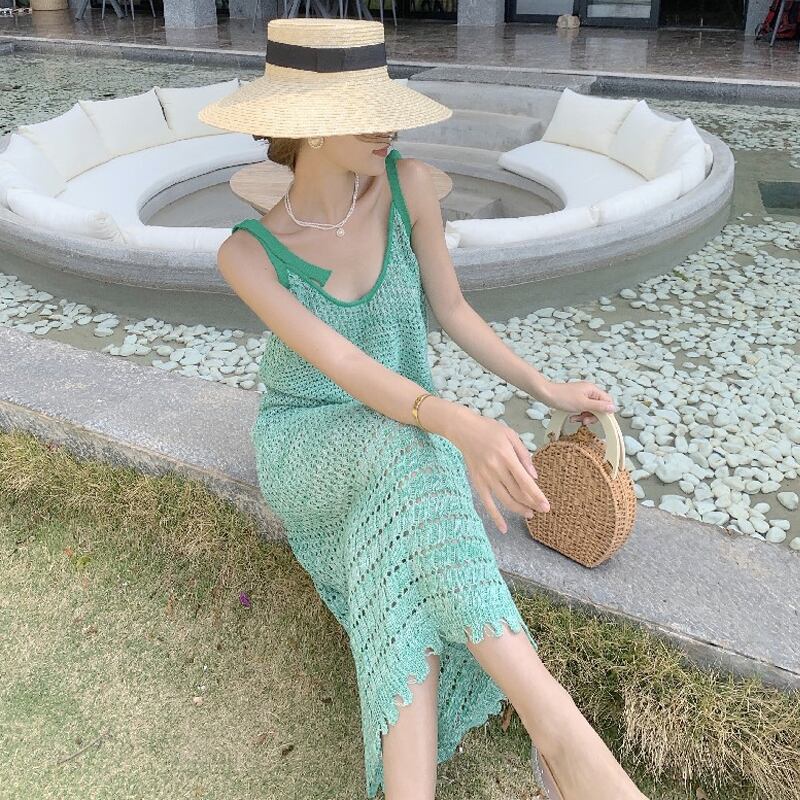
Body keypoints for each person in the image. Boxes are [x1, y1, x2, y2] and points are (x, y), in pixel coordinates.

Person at [201, 17, 649, 800]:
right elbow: (345, 367)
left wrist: (546, 389)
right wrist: (455, 421)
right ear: (311, 126)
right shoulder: (247, 253)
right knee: (423, 452)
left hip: (403, 432)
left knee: (407, 519)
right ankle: (563, 739)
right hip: (309, 442)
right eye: (366, 111)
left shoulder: (409, 186)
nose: (389, 126)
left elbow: (454, 308)